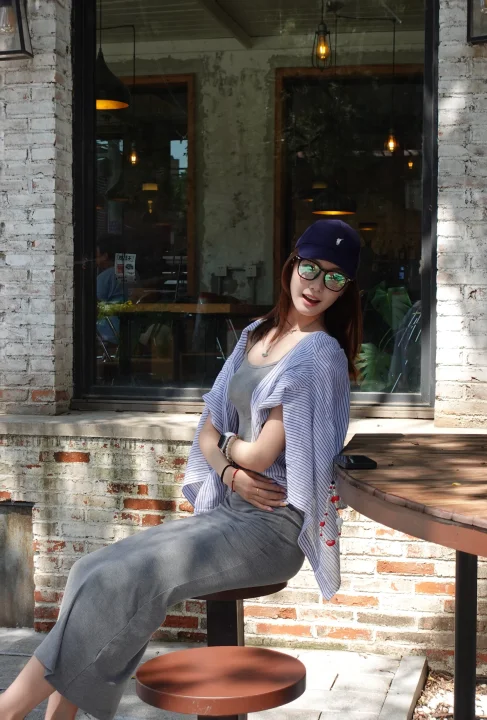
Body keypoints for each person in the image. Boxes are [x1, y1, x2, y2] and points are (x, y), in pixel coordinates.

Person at [0, 219, 362, 720]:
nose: (317, 285)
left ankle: (8, 710)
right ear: (291, 266)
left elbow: (259, 454)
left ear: (346, 290)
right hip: (233, 507)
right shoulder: (258, 333)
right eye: (311, 268)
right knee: (88, 570)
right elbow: (209, 425)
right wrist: (229, 470)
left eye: (335, 278)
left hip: (273, 527)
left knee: (123, 579)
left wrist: (227, 451)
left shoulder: (319, 352)